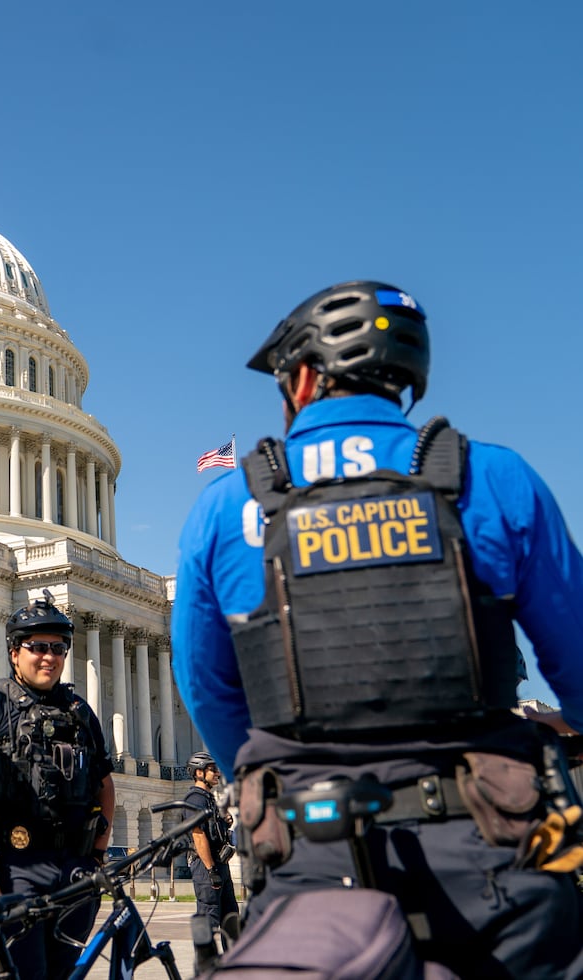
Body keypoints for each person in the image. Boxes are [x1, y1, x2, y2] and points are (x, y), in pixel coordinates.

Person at [172, 281, 583, 977]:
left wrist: (280, 769)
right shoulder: (493, 478)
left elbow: (209, 693)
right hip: (496, 848)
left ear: (302, 378)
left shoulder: (226, 507)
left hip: (310, 852)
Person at [0, 591, 116, 980]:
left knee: (65, 973)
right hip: (13, 867)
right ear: (14, 652)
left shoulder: (80, 712)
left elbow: (104, 784)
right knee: (24, 974)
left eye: (58, 647)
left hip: (75, 868)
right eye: (36, 646)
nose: (49, 657)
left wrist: (98, 855)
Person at [185, 751, 239, 949]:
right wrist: (210, 869)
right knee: (209, 918)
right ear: (199, 772)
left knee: (231, 919)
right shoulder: (195, 799)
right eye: (212, 769)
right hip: (207, 867)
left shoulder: (208, 798)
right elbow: (198, 835)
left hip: (219, 865)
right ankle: (206, 964)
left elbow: (213, 830)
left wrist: (225, 823)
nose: (217, 773)